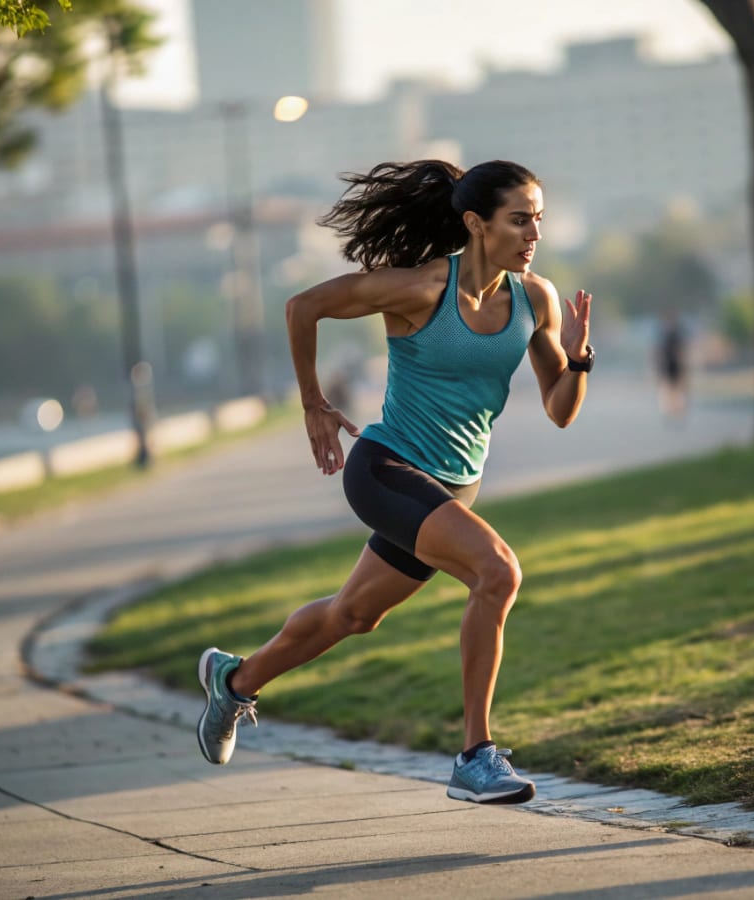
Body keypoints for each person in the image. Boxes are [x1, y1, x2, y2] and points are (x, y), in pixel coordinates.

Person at [196, 159, 594, 805]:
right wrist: (313, 403)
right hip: (387, 469)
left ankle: (235, 681)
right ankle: (475, 756)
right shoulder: (419, 289)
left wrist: (577, 357)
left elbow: (561, 409)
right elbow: (304, 308)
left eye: (538, 220)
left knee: (352, 616)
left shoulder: (535, 299)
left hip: (451, 489)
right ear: (476, 223)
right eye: (519, 219)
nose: (533, 234)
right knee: (498, 573)